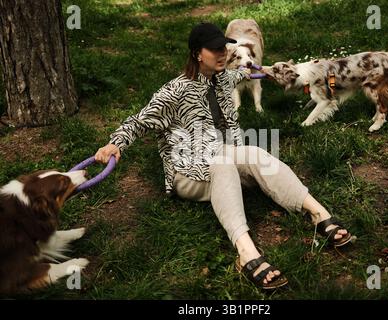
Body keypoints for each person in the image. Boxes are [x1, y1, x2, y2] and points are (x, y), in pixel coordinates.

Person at [95, 22, 353, 290]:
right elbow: (138, 122)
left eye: (223, 47)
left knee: (253, 151)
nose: (222, 52)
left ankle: (318, 213)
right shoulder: (174, 91)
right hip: (189, 172)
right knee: (223, 163)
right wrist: (115, 144)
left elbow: (248, 72)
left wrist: (277, 71)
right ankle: (247, 254)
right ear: (197, 54)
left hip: (225, 155)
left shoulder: (224, 78)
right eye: (215, 48)